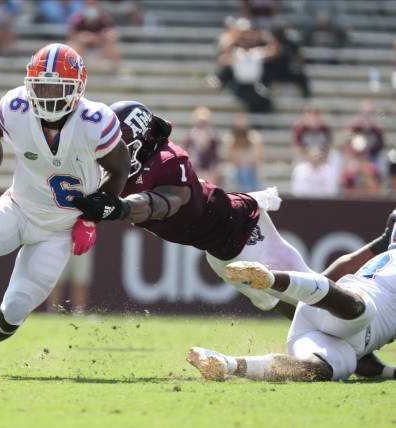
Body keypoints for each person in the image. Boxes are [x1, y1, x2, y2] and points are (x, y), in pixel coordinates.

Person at [0, 43, 130, 377]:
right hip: (18, 208)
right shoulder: (16, 105)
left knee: (15, 312)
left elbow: (120, 169)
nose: (47, 96)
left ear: (77, 88)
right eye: (41, 87)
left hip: (58, 230)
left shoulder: (95, 121)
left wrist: (91, 219)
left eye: (56, 88)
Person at [71, 101, 313, 317]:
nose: (111, 150)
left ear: (142, 139)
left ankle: (334, 324)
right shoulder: (125, 171)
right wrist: (88, 218)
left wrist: (121, 208)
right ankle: (316, 339)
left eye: (119, 143)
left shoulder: (168, 159)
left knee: (309, 293)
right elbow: (100, 200)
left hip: (242, 227)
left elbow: (166, 203)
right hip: (217, 253)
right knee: (275, 300)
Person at [188, 212, 396, 382]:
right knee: (361, 310)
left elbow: (363, 358)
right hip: (342, 308)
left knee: (322, 369)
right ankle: (269, 279)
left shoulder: (386, 256)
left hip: (322, 324)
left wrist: (389, 372)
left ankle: (227, 363)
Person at [68, 0, 121, 74]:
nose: (91, 6)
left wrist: (92, 38)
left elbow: (112, 34)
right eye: (89, 4)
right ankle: (74, 73)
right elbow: (71, 36)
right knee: (74, 47)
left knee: (113, 47)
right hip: (83, 50)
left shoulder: (104, 18)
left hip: (100, 49)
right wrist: (82, 38)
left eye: (93, 4)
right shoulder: (77, 18)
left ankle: (116, 72)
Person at [262, 22, 312, 99]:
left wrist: (301, 67)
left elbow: (299, 58)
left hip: (286, 71)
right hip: (272, 72)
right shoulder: (269, 43)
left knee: (301, 77)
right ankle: (264, 96)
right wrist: (274, 53)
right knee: (263, 75)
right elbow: (263, 59)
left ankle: (307, 98)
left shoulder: (290, 44)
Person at [222, 115, 265, 192]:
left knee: (254, 175)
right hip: (236, 172)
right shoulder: (230, 140)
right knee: (235, 172)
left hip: (252, 171)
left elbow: (259, 159)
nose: (241, 132)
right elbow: (230, 160)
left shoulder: (254, 139)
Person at [46, 249, 94, 314]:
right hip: (59, 246)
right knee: (57, 280)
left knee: (80, 280)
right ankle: (53, 311)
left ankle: (79, 312)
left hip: (82, 246)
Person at [182, 106, 220, 184]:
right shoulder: (190, 137)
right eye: (200, 122)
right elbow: (186, 154)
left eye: (204, 122)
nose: (202, 125)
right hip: (194, 168)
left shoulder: (212, 137)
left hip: (208, 170)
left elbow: (214, 157)